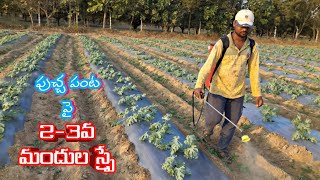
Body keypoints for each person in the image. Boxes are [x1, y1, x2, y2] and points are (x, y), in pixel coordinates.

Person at [194, 9, 264, 163]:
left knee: (231, 123)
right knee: (213, 119)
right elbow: (208, 65)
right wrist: (199, 85)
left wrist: (257, 93)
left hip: (237, 92)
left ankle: (222, 148)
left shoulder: (252, 46)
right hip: (218, 89)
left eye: (248, 26)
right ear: (234, 24)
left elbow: (253, 70)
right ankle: (207, 132)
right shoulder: (223, 43)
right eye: (241, 25)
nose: (244, 29)